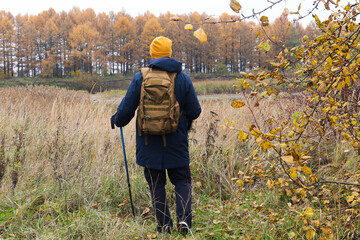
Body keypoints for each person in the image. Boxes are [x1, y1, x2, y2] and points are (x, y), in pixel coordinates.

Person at [111, 36, 201, 235]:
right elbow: (195, 111)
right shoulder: (182, 78)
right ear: (169, 52)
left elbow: (126, 110)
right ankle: (184, 221)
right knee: (182, 180)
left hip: (148, 141)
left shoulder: (141, 77)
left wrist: (117, 120)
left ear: (152, 54)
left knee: (156, 184)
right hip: (176, 141)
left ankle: (164, 225)